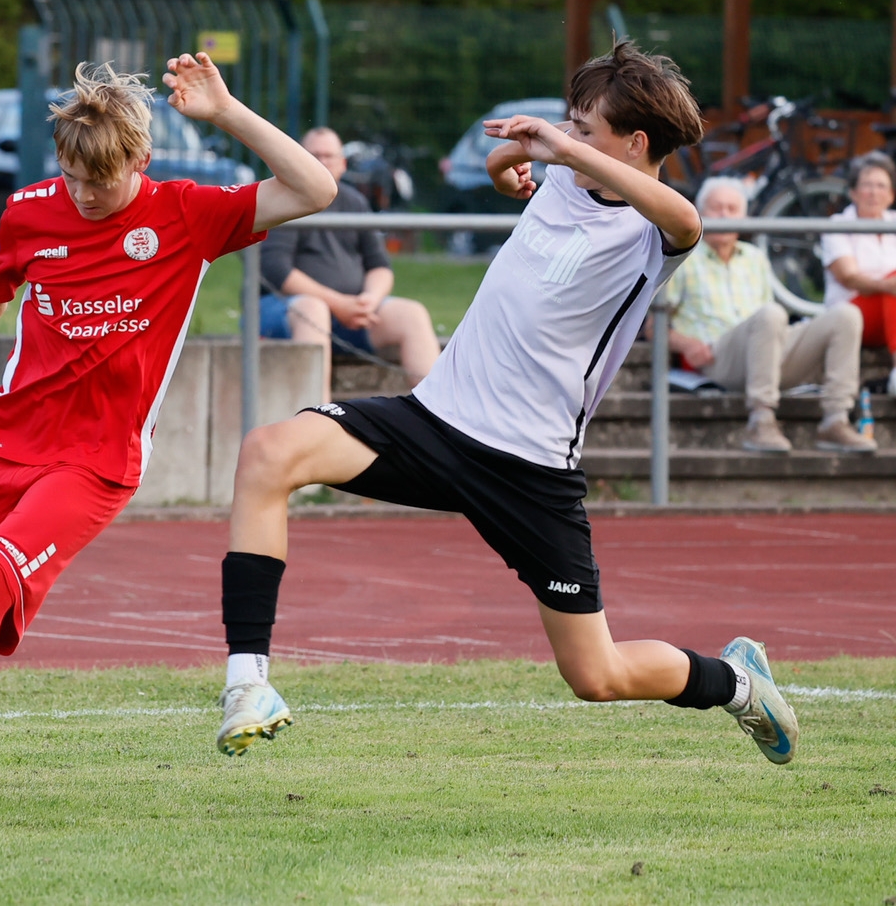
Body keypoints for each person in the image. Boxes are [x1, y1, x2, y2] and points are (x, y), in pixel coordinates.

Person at [214, 41, 800, 770]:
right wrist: (509, 166)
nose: (568, 138)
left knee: (597, 675)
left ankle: (738, 681)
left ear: (635, 143)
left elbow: (687, 219)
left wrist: (559, 149)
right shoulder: (564, 177)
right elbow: (510, 164)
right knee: (269, 451)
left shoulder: (654, 232)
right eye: (569, 124)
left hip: (528, 468)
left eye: (584, 129)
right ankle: (249, 684)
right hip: (434, 422)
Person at [0, 53, 337, 830]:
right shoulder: (30, 210)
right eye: (72, 177)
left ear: (141, 159)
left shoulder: (187, 213)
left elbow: (315, 189)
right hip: (4, 445)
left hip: (96, 463)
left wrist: (227, 112)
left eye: (100, 181)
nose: (84, 194)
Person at [666, 176, 874, 454]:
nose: (724, 215)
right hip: (717, 356)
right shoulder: (685, 257)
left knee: (846, 315)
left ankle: (836, 420)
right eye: (716, 208)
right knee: (771, 313)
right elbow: (654, 327)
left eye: (731, 209)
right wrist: (686, 345)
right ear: (700, 212)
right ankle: (761, 418)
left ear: (743, 217)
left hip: (766, 353)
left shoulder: (755, 257)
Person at [260, 127, 441, 402]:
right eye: (314, 155)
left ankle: (434, 415)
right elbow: (276, 270)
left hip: (352, 316)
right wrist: (338, 304)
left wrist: (369, 300)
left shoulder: (355, 202)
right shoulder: (285, 199)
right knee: (314, 309)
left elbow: (379, 266)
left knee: (411, 314)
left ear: (343, 164)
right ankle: (316, 417)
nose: (322, 162)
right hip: (286, 311)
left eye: (329, 156)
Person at [820, 151, 896, 395]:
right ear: (853, 192)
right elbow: (848, 276)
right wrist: (888, 285)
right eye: (867, 185)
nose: (874, 192)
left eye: (881, 186)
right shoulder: (838, 225)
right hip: (850, 316)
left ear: (891, 195)